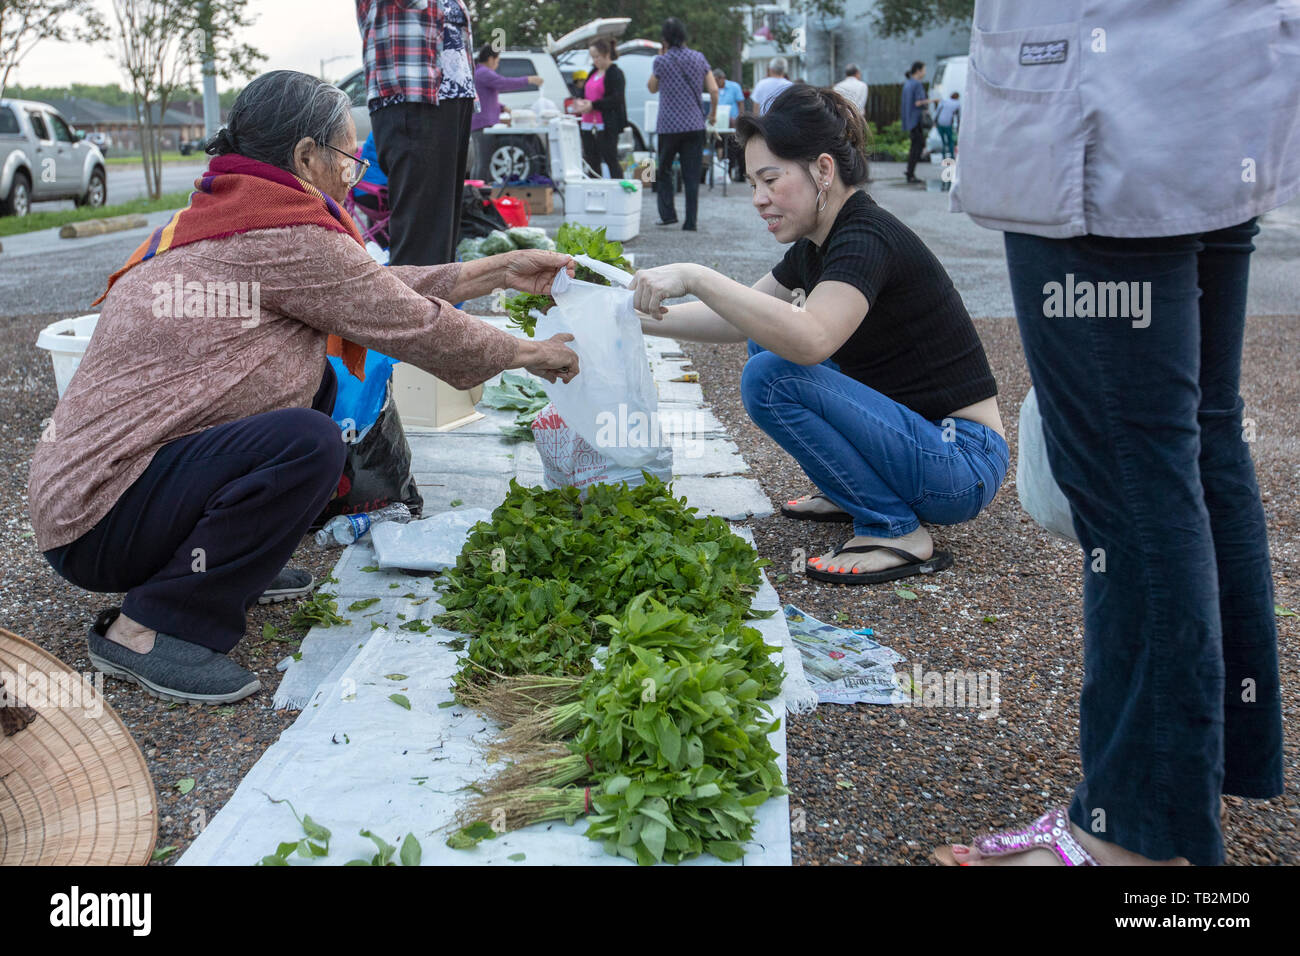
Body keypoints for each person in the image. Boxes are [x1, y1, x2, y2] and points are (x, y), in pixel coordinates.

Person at [27, 71, 580, 706]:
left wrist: (496, 270)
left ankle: (218, 564)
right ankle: (148, 627)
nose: (356, 170)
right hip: (98, 518)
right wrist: (527, 352)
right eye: (350, 155)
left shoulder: (233, 212)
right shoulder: (284, 234)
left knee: (314, 385)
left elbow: (365, 290)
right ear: (305, 157)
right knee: (306, 442)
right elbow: (406, 321)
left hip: (105, 497)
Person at [937, 0, 1293, 867]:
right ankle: (1187, 777)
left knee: (1136, 481)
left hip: (1097, 113)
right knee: (1199, 447)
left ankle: (1131, 833)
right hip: (1214, 94)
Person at [628, 84, 1008, 584]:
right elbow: (735, 316)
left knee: (772, 374)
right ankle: (852, 489)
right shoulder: (816, 243)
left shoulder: (865, 236)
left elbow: (811, 340)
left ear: (823, 171)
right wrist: (632, 315)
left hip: (960, 462)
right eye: (751, 185)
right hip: (920, 441)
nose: (759, 200)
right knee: (764, 336)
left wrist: (696, 274)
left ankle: (896, 529)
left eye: (770, 179)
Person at [357, 0, 477, 266]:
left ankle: (438, 304)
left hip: (454, 96)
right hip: (410, 95)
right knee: (421, 234)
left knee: (442, 232)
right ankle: (411, 306)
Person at [648, 17, 717, 230]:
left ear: (665, 39)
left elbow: (652, 87)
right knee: (691, 174)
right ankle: (690, 222)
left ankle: (668, 215)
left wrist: (660, 57)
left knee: (664, 170)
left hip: (668, 126)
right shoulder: (698, 58)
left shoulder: (662, 61)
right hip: (694, 125)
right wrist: (712, 114)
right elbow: (713, 90)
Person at [471, 43, 543, 182]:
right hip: (483, 124)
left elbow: (486, 98)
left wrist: (502, 107)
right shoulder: (484, 73)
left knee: (482, 161)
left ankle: (476, 191)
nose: (497, 65)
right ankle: (477, 193)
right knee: (483, 162)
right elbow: (503, 83)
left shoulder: (479, 72)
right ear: (491, 59)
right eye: (497, 61)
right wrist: (528, 79)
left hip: (481, 123)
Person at [574, 36, 626, 179]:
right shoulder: (593, 72)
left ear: (606, 55)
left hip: (605, 124)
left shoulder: (615, 73)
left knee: (610, 158)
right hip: (588, 123)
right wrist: (580, 101)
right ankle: (595, 188)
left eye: (597, 57)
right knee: (591, 159)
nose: (595, 61)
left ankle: (618, 188)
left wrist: (594, 105)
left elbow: (617, 99)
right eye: (592, 57)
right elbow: (583, 91)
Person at [900, 61, 936, 184]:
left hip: (910, 119)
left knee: (915, 145)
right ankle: (910, 174)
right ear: (918, 70)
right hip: (916, 119)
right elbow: (918, 102)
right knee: (918, 145)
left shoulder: (908, 84)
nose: (925, 72)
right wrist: (933, 100)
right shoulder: (917, 84)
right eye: (924, 70)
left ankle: (910, 172)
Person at [933, 91, 959, 159]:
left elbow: (937, 111)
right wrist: (958, 126)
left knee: (943, 141)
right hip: (948, 124)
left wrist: (934, 121)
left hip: (940, 123)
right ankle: (952, 156)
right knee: (950, 140)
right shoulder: (957, 104)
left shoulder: (944, 101)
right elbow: (958, 115)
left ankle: (943, 156)